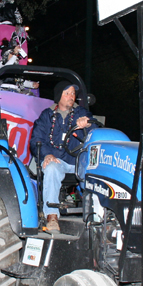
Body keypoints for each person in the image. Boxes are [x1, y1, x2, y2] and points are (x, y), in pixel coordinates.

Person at [29, 81, 96, 233]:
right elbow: (36, 140)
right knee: (51, 168)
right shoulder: (46, 115)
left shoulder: (82, 113)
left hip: (77, 161)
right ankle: (51, 216)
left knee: (95, 170)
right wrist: (47, 154)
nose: (71, 96)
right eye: (67, 93)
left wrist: (87, 124)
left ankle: (96, 215)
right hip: (56, 160)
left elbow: (95, 130)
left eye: (73, 93)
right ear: (59, 96)